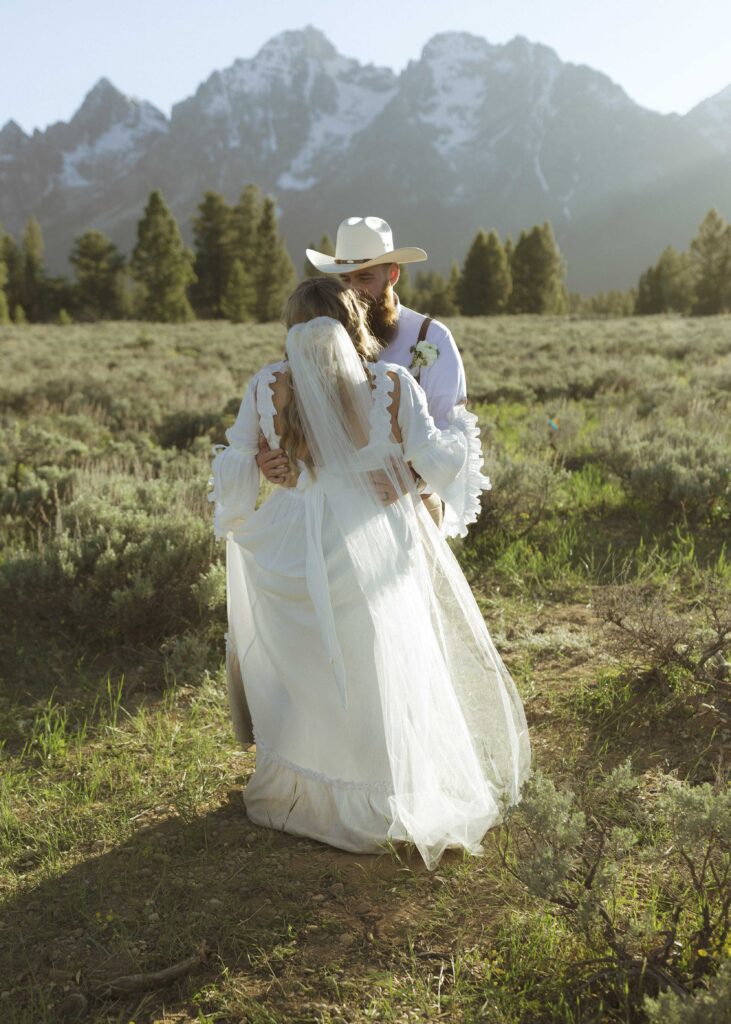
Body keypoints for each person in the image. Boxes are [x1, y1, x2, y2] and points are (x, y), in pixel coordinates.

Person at [209, 277, 531, 870]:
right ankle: (383, 789)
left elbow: (237, 460)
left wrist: (248, 493)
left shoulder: (267, 386)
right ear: (355, 321)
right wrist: (411, 479)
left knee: (306, 664)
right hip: (369, 542)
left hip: (294, 543)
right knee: (377, 658)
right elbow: (442, 452)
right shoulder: (392, 385)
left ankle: (305, 793)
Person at [259, 216, 479, 535]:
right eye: (345, 279)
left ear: (392, 274)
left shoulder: (431, 338)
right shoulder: (319, 340)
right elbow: (296, 415)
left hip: (411, 509)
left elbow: (453, 428)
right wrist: (268, 461)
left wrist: (412, 477)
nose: (354, 290)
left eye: (365, 278)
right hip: (334, 517)